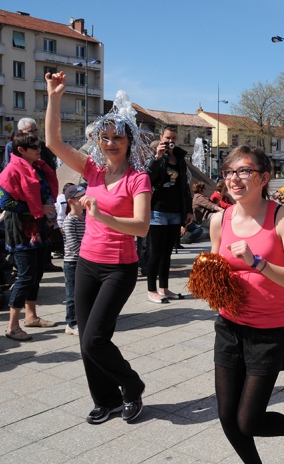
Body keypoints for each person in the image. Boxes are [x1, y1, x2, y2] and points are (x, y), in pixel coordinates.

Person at [45, 72, 152, 424]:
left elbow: (141, 226)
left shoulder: (139, 178)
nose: (110, 143)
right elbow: (53, 142)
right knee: (84, 342)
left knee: (94, 339)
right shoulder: (90, 169)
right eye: (104, 138)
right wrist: (55, 96)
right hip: (87, 263)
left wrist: (102, 215)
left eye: (117, 137)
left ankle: (132, 386)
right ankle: (106, 400)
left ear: (128, 139)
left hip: (119, 268)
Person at [209, 145, 284, 464]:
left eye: (245, 171)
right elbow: (216, 273)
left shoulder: (280, 217)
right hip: (228, 326)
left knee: (249, 421)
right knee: (228, 417)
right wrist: (207, 275)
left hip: (268, 331)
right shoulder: (220, 220)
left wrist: (257, 262)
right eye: (229, 171)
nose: (235, 178)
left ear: (264, 177)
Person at [0, 133, 59, 341]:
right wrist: (38, 208)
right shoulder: (10, 171)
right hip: (22, 229)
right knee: (25, 276)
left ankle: (31, 316)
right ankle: (12, 326)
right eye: (34, 147)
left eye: (39, 146)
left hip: (39, 227)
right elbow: (5, 203)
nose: (38, 149)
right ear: (21, 151)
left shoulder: (38, 167)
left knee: (36, 274)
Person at [145, 126, 193, 303]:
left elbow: (185, 187)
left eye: (173, 137)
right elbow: (147, 178)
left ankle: (164, 288)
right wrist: (157, 157)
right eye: (167, 137)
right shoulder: (154, 156)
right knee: (156, 252)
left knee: (167, 252)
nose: (170, 140)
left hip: (175, 211)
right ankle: (151, 290)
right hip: (157, 209)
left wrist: (188, 210)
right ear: (161, 137)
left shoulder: (180, 158)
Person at [62, 184, 87, 336]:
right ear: (71, 201)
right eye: (80, 198)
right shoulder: (69, 221)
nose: (84, 199)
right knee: (72, 294)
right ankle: (71, 323)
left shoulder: (86, 217)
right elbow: (72, 245)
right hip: (72, 262)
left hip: (84, 260)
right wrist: (88, 253)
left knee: (83, 292)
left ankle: (82, 318)